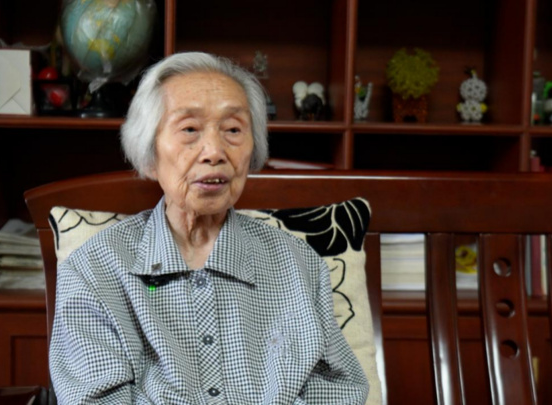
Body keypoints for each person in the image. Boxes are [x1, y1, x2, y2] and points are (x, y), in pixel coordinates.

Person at [49, 52, 369, 404]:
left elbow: (338, 391)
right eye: (189, 129)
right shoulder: (94, 271)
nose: (214, 151)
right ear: (150, 154)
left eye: (233, 130)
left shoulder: (299, 265)